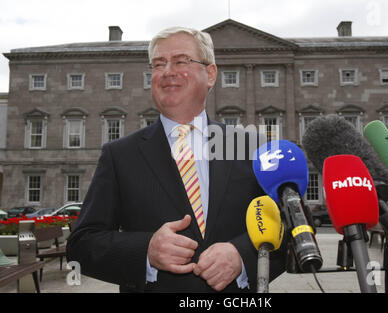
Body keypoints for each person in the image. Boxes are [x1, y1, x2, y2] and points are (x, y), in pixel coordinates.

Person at [66, 26, 286, 293]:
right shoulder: (119, 155)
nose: (167, 71)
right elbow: (82, 244)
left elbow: (293, 230)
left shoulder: (253, 147)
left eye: (181, 61)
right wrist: (145, 251)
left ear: (210, 73)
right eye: (159, 64)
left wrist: (241, 256)